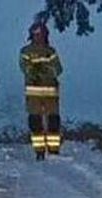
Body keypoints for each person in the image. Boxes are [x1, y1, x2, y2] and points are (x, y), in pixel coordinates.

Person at [20, 21, 63, 160]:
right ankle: (39, 151)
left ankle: (54, 149)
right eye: (36, 34)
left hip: (51, 91)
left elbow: (58, 69)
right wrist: (37, 71)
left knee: (53, 121)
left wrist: (44, 70)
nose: (39, 37)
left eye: (41, 34)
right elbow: (25, 68)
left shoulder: (51, 51)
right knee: (35, 121)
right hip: (34, 92)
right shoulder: (26, 51)